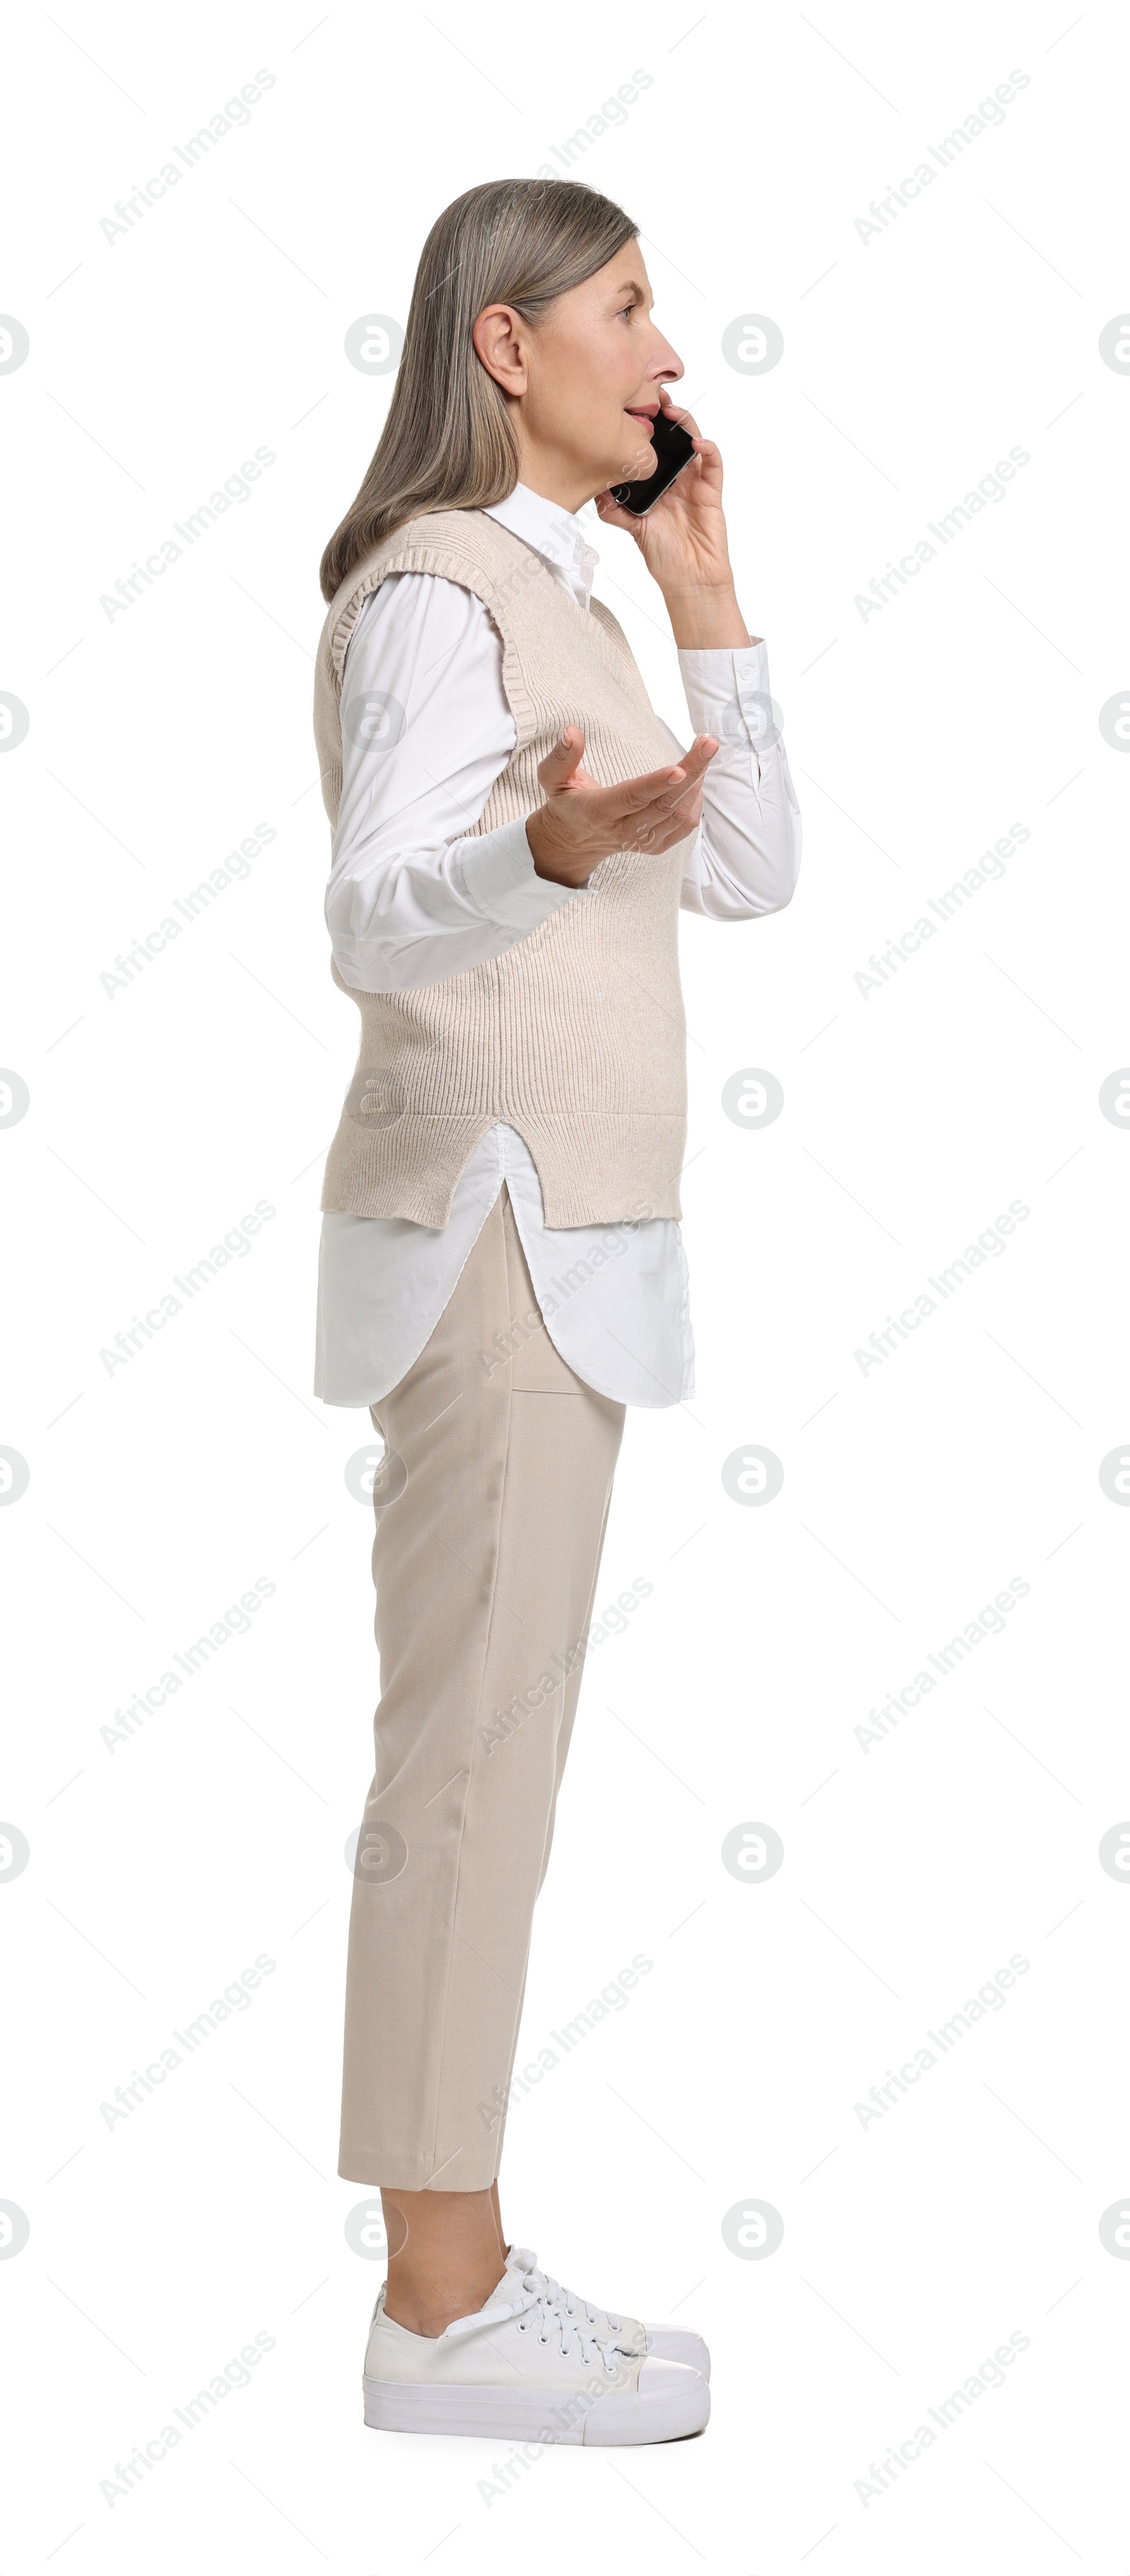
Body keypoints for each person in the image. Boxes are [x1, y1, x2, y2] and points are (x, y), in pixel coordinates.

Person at [312, 176, 802, 2445]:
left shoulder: (582, 589)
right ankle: (440, 2300)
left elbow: (756, 868)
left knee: (498, 1764)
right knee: (467, 1773)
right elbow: (376, 916)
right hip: (493, 1231)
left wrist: (708, 600)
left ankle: (456, 2272)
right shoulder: (438, 591)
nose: (664, 348)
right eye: (624, 306)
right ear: (507, 346)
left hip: (570, 1253)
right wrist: (550, 852)